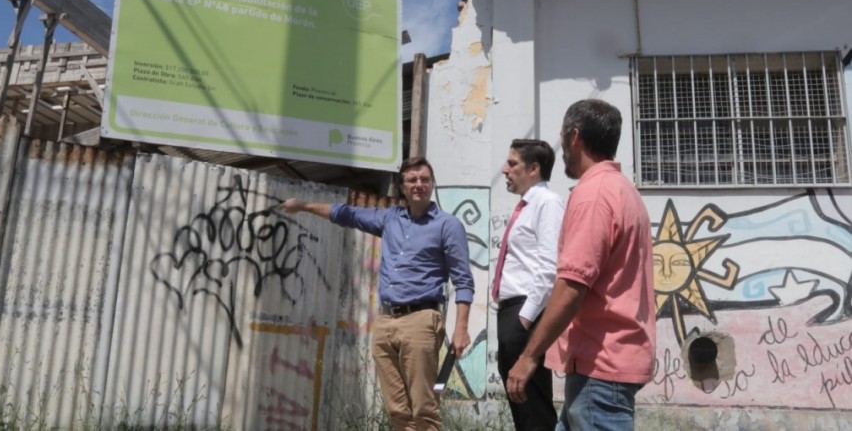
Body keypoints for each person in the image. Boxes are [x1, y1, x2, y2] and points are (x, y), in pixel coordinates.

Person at [280, 156, 474, 431]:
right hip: (385, 322)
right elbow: (346, 214)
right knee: (397, 410)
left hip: (421, 320)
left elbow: (463, 279)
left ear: (432, 184)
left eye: (424, 179)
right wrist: (303, 206)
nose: (418, 184)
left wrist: (461, 328)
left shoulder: (447, 225)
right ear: (402, 187)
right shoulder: (390, 218)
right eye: (412, 180)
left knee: (424, 409)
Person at [506, 99, 656, 431]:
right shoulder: (623, 189)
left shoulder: (594, 194)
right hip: (602, 367)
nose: (561, 147)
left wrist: (529, 356)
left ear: (574, 136)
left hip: (600, 368)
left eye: (562, 137)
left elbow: (572, 284)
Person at [494, 139, 564, 430]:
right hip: (512, 312)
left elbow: (549, 269)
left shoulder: (547, 203)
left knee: (533, 410)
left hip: (524, 313)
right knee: (522, 409)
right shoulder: (526, 206)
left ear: (534, 169)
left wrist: (524, 319)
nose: (504, 170)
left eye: (512, 164)